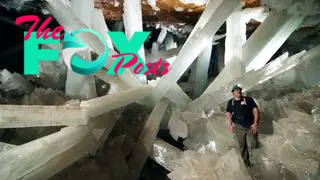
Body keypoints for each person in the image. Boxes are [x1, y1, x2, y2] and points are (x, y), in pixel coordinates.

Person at [226, 84, 260, 167]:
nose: (239, 92)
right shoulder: (231, 102)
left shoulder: (248, 100)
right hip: (238, 126)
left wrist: (255, 123)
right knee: (242, 146)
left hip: (250, 125)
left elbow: (256, 111)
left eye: (240, 90)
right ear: (233, 93)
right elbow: (228, 113)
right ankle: (246, 164)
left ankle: (255, 164)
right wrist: (231, 124)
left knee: (253, 144)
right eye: (236, 90)